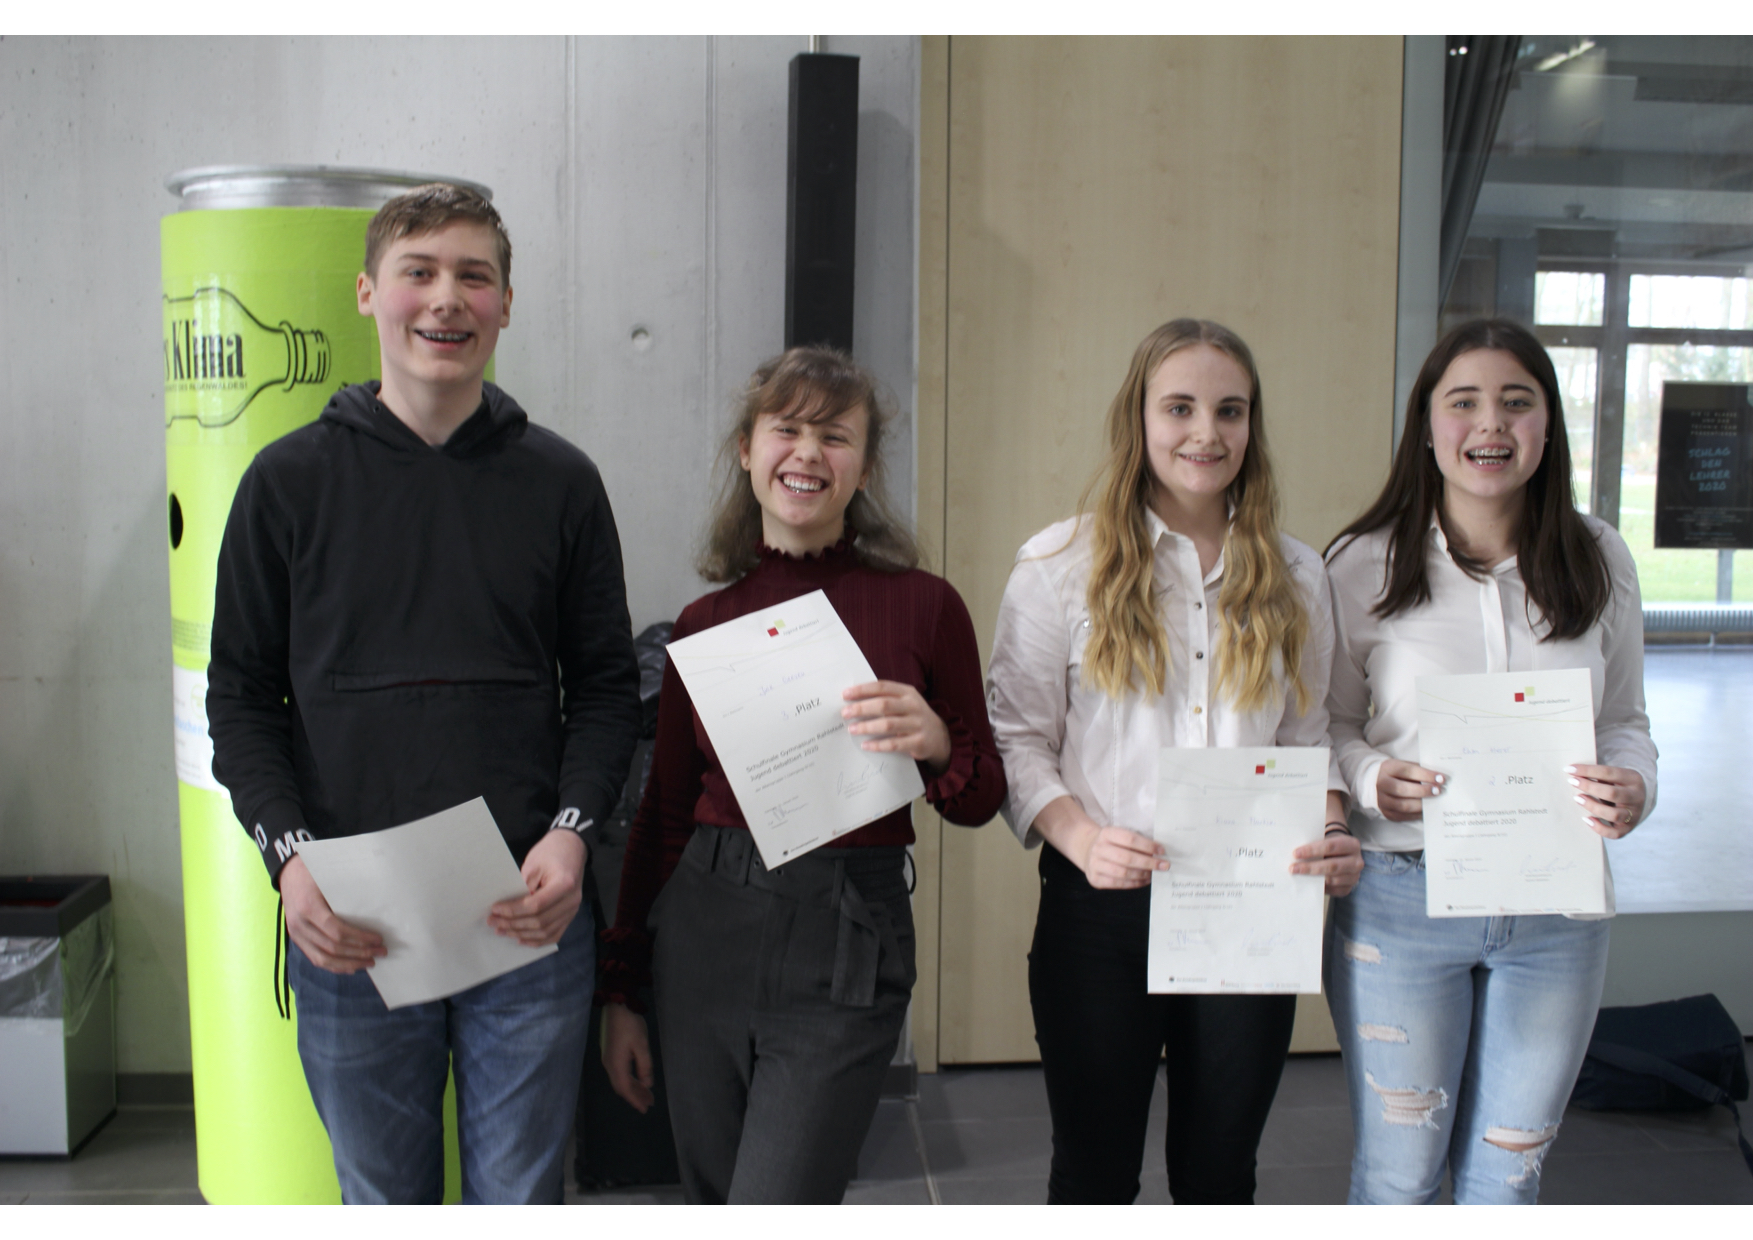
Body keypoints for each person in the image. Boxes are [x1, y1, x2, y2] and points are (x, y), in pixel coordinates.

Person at [206, 183, 642, 1204]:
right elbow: (242, 699)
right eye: (420, 272)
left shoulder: (562, 483)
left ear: (505, 305)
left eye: (473, 276)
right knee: (380, 1199)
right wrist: (289, 862)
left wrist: (573, 835)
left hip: (525, 916)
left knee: (519, 1199)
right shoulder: (286, 484)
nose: (447, 298)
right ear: (368, 293)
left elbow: (606, 687)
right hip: (351, 920)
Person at [597, 346, 1006, 1204]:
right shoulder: (705, 624)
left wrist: (936, 741)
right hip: (705, 927)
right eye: (786, 429)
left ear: (865, 466)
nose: (808, 453)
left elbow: (979, 798)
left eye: (835, 435)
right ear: (747, 450)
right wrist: (622, 990)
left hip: (847, 926)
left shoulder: (925, 606)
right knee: (714, 1198)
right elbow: (663, 813)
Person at [987, 318, 1361, 1204]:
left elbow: (1306, 739)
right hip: (1101, 910)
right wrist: (1081, 839)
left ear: (1251, 425)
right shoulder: (1057, 564)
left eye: (1229, 411)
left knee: (1220, 1177)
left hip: (1247, 903)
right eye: (1179, 407)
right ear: (1139, 418)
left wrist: (1332, 827)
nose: (1206, 433)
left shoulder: (1297, 574)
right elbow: (1015, 738)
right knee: (1093, 1174)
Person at [1323, 318, 1658, 1204]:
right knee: (1398, 1178)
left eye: (1516, 402)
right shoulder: (1359, 563)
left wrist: (1635, 785)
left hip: (1557, 909)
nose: (1490, 424)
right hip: (1399, 896)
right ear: (1426, 424)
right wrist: (1368, 777)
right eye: (1462, 402)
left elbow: (1624, 721)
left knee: (1508, 1177)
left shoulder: (1599, 557)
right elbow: (1323, 725)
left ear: (1546, 426)